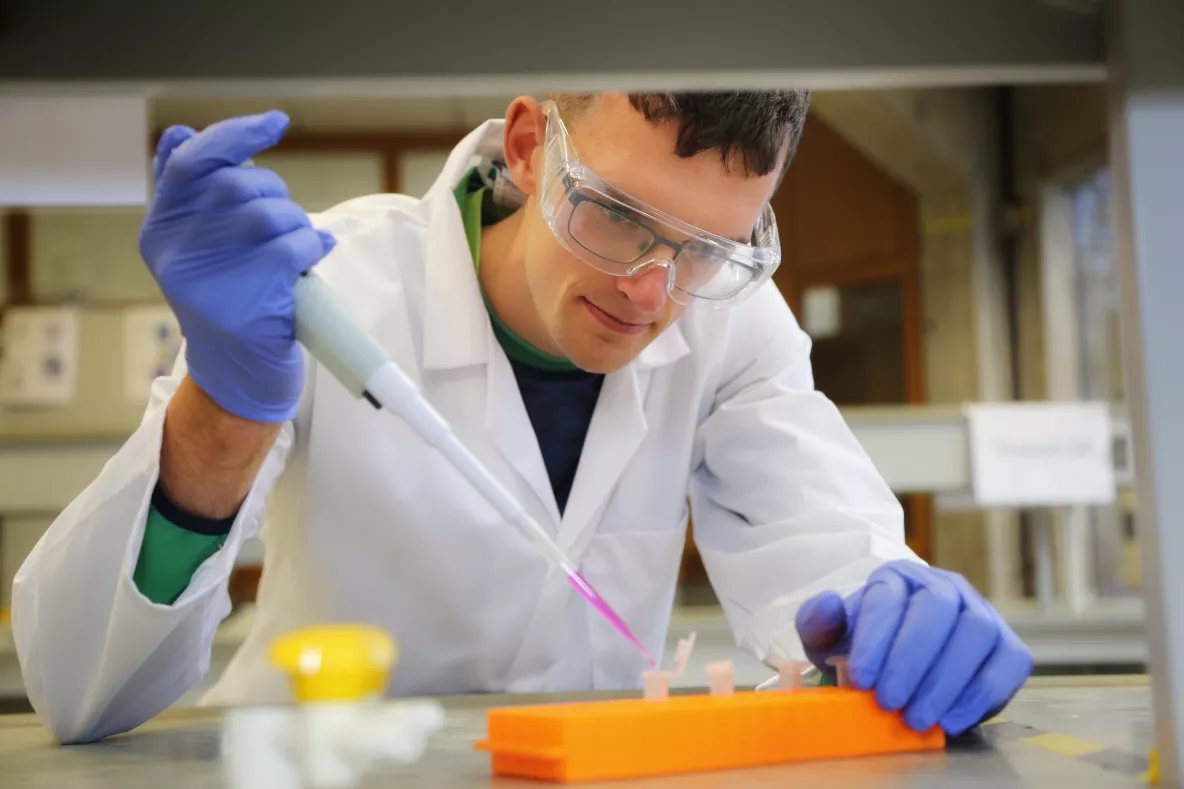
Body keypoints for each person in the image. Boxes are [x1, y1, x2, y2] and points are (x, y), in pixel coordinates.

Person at [12, 91, 1032, 745]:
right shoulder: (332, 287)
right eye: (621, 218)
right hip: (321, 768)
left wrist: (886, 613)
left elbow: (824, 558)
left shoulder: (729, 322)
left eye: (704, 247)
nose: (651, 291)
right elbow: (78, 688)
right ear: (529, 142)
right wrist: (223, 411)